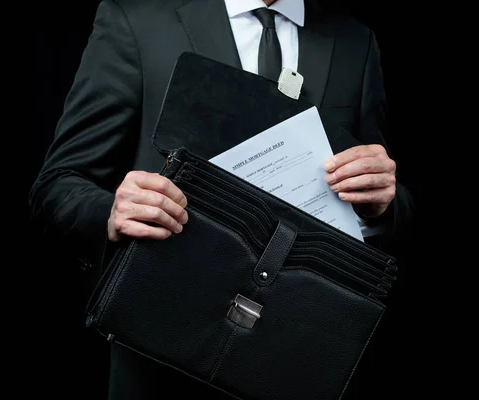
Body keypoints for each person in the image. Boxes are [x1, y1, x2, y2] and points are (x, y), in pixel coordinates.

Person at [30, 0, 415, 398]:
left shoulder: (355, 42)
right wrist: (111, 213)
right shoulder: (138, 20)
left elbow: (391, 203)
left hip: (291, 361)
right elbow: (57, 184)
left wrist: (382, 205)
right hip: (159, 350)